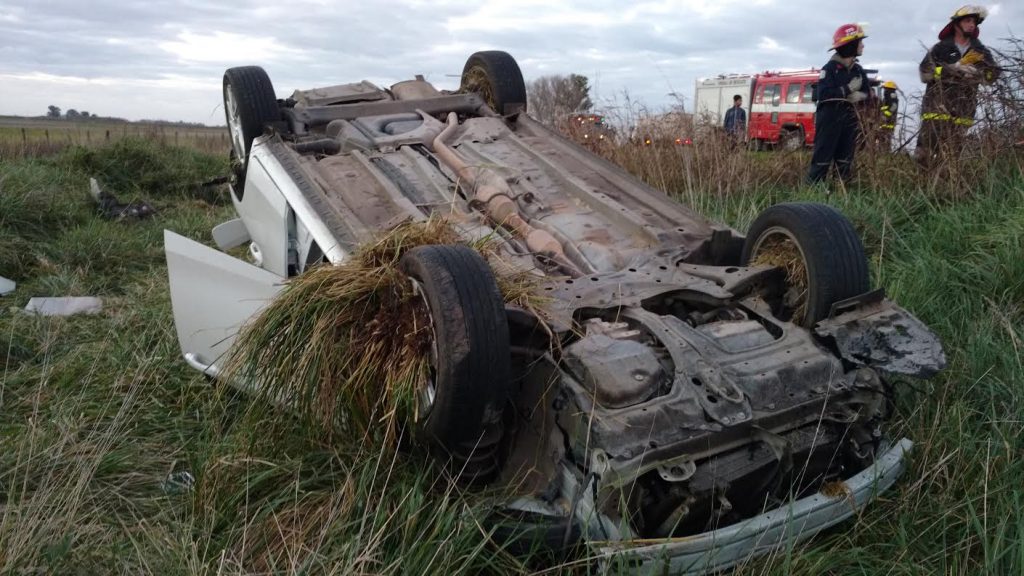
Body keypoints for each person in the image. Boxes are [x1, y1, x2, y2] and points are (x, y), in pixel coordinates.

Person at [915, 5, 999, 165]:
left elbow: (993, 75)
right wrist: (952, 69)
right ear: (956, 24)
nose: (972, 24)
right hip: (936, 109)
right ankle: (921, 186)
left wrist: (978, 73)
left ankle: (945, 188)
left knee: (951, 159)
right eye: (967, 21)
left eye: (974, 22)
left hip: (963, 110)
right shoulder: (939, 48)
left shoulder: (980, 51)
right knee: (923, 155)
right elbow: (925, 73)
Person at [807, 23, 871, 185]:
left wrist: (860, 96)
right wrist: (847, 90)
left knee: (845, 158)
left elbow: (869, 95)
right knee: (823, 155)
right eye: (860, 42)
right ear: (850, 44)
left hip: (849, 119)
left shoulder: (858, 70)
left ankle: (841, 188)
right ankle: (813, 189)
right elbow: (824, 94)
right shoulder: (829, 69)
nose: (863, 45)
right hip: (829, 118)